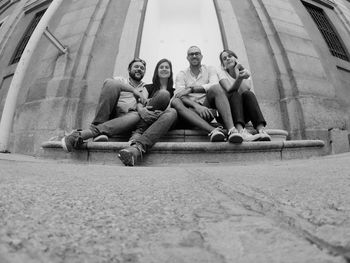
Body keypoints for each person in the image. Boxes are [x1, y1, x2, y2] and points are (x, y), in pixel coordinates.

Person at [61, 58, 177, 166]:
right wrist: (134, 91)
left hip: (136, 119)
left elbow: (146, 105)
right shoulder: (121, 80)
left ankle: (134, 147)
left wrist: (146, 111)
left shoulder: (145, 87)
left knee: (166, 111)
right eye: (136, 66)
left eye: (142, 68)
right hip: (117, 117)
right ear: (129, 69)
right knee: (117, 91)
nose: (139, 69)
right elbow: (109, 83)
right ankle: (95, 129)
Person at [171, 45, 255, 143]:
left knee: (216, 88)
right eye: (191, 54)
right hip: (190, 111)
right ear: (187, 58)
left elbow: (213, 85)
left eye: (197, 53)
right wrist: (197, 106)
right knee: (176, 101)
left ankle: (232, 130)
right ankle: (213, 130)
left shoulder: (210, 69)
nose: (194, 56)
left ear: (201, 56)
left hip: (207, 110)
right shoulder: (182, 74)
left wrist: (191, 89)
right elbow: (179, 95)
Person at [118, 58, 177, 166]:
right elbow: (141, 103)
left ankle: (138, 137)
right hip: (147, 117)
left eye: (167, 67)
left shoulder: (175, 90)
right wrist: (142, 110)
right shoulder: (148, 87)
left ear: (170, 71)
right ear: (156, 71)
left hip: (165, 119)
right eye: (161, 67)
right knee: (162, 96)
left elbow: (174, 105)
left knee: (172, 112)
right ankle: (137, 148)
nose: (164, 69)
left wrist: (163, 113)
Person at [218, 49, 271, 141]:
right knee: (234, 93)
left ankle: (261, 129)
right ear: (223, 64)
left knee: (248, 94)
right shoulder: (221, 74)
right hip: (228, 114)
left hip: (242, 113)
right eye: (224, 58)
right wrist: (239, 77)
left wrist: (237, 72)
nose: (227, 59)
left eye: (230, 56)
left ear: (235, 58)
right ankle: (240, 130)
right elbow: (229, 90)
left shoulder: (244, 72)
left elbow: (245, 90)